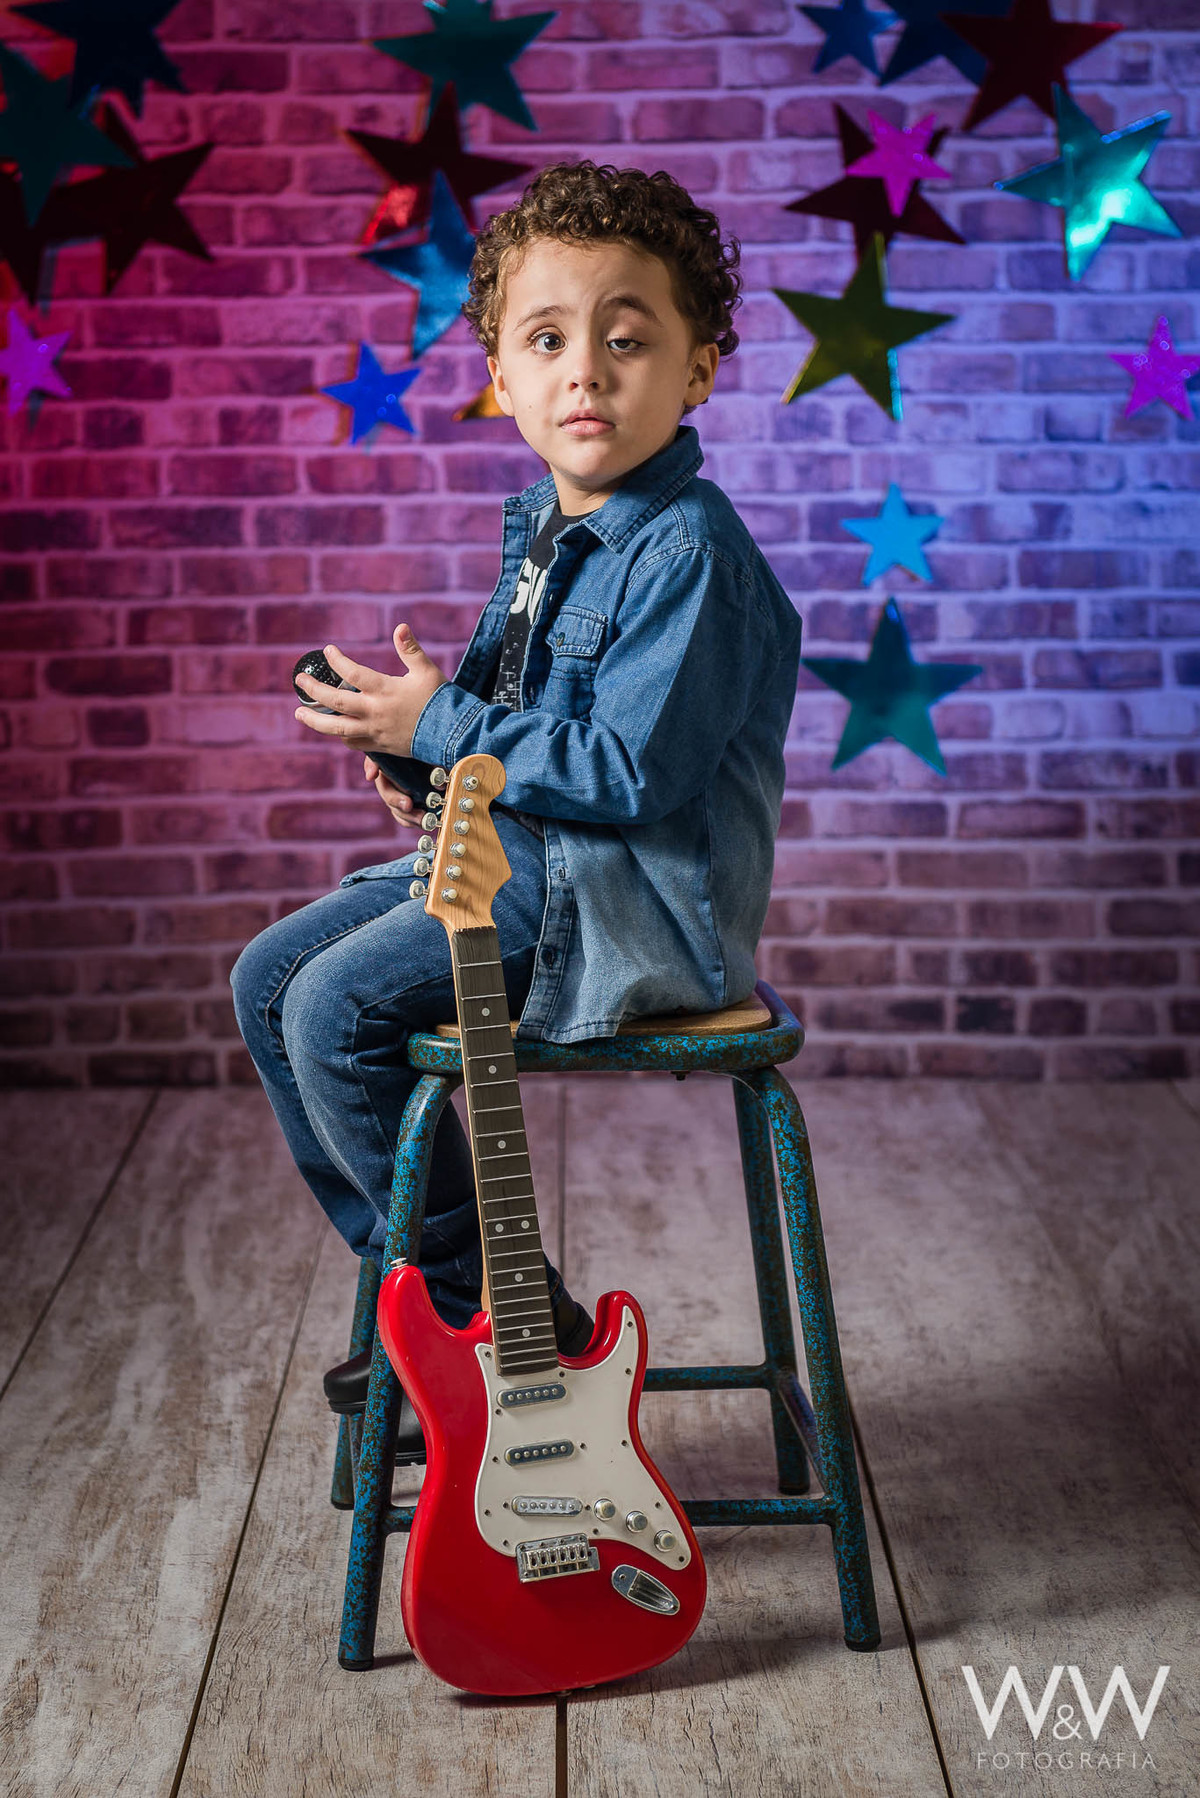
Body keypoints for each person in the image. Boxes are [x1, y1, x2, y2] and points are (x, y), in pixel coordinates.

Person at [230, 159, 803, 1462]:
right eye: (548, 340)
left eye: (627, 339)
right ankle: (450, 1300)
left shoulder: (692, 555)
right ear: (500, 375)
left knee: (334, 1012)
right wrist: (422, 767)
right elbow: (519, 756)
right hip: (515, 866)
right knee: (266, 980)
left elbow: (626, 772)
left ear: (699, 370)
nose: (585, 371)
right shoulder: (548, 531)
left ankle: (479, 1311)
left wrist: (441, 722)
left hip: (624, 912)